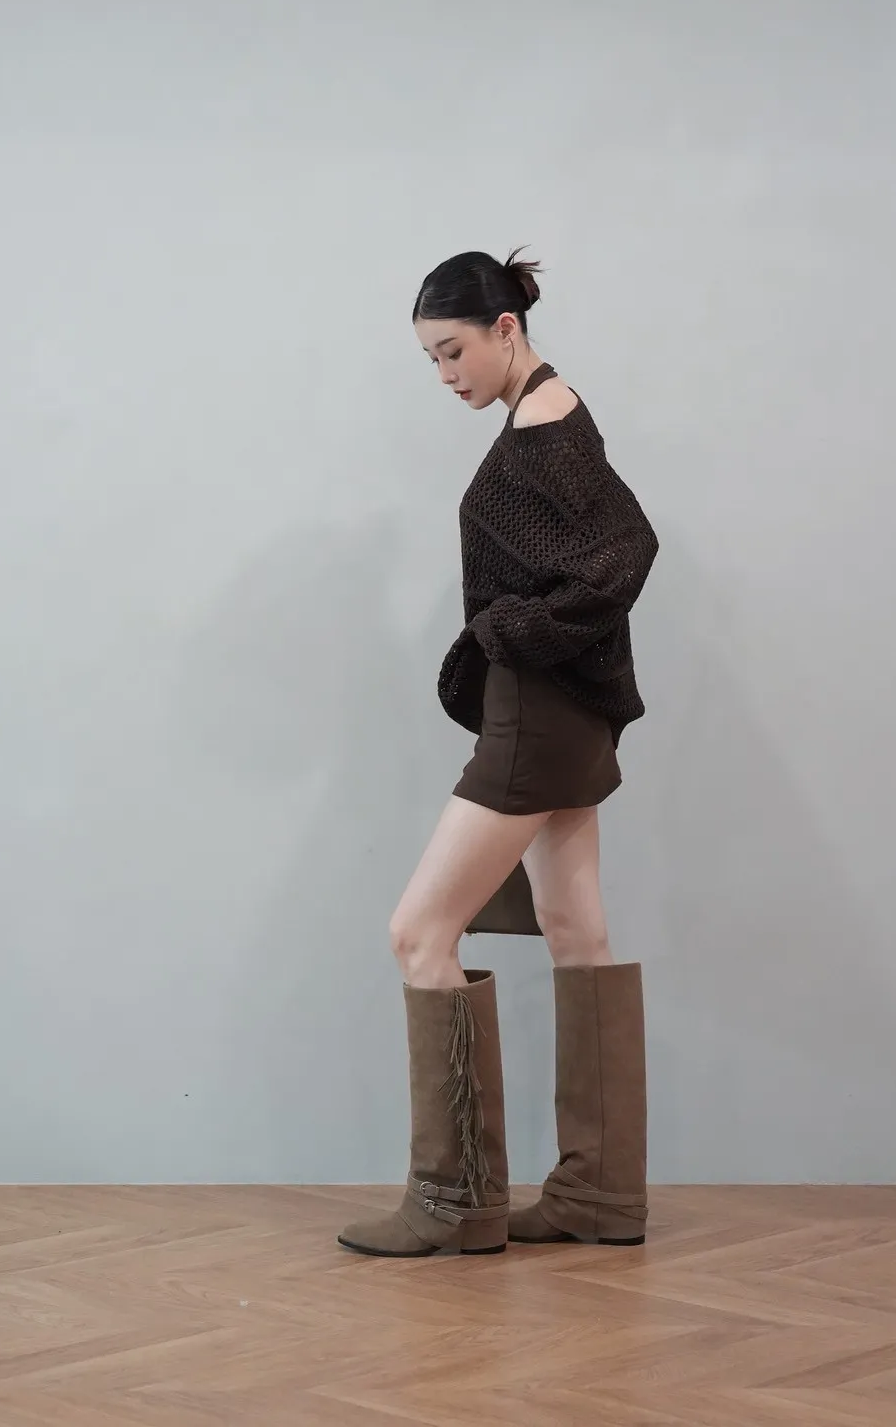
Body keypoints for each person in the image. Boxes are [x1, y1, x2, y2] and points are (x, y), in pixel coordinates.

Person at [338, 248, 659, 1259]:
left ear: (505, 328)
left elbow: (625, 551)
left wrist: (508, 632)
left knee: (418, 932)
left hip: (538, 717)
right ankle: (597, 1196)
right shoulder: (549, 410)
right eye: (430, 360)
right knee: (574, 927)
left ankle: (452, 1198)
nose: (445, 375)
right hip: (565, 713)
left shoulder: (542, 425)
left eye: (452, 351)